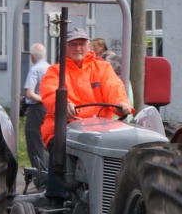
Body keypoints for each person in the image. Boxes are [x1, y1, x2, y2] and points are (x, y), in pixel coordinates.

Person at [39, 27, 132, 200]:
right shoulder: (55, 71)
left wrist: (121, 103)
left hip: (99, 128)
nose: (78, 48)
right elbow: (50, 93)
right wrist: (63, 103)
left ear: (89, 45)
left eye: (81, 44)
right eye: (73, 44)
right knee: (59, 142)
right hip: (65, 126)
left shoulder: (102, 68)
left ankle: (117, 195)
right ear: (64, 47)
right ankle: (56, 196)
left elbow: (114, 87)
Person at [21, 42, 49, 170]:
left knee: (35, 142)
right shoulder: (51, 68)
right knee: (47, 143)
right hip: (50, 109)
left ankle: (40, 177)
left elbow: (29, 93)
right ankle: (49, 175)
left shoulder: (35, 70)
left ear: (32, 56)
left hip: (37, 109)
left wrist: (43, 99)